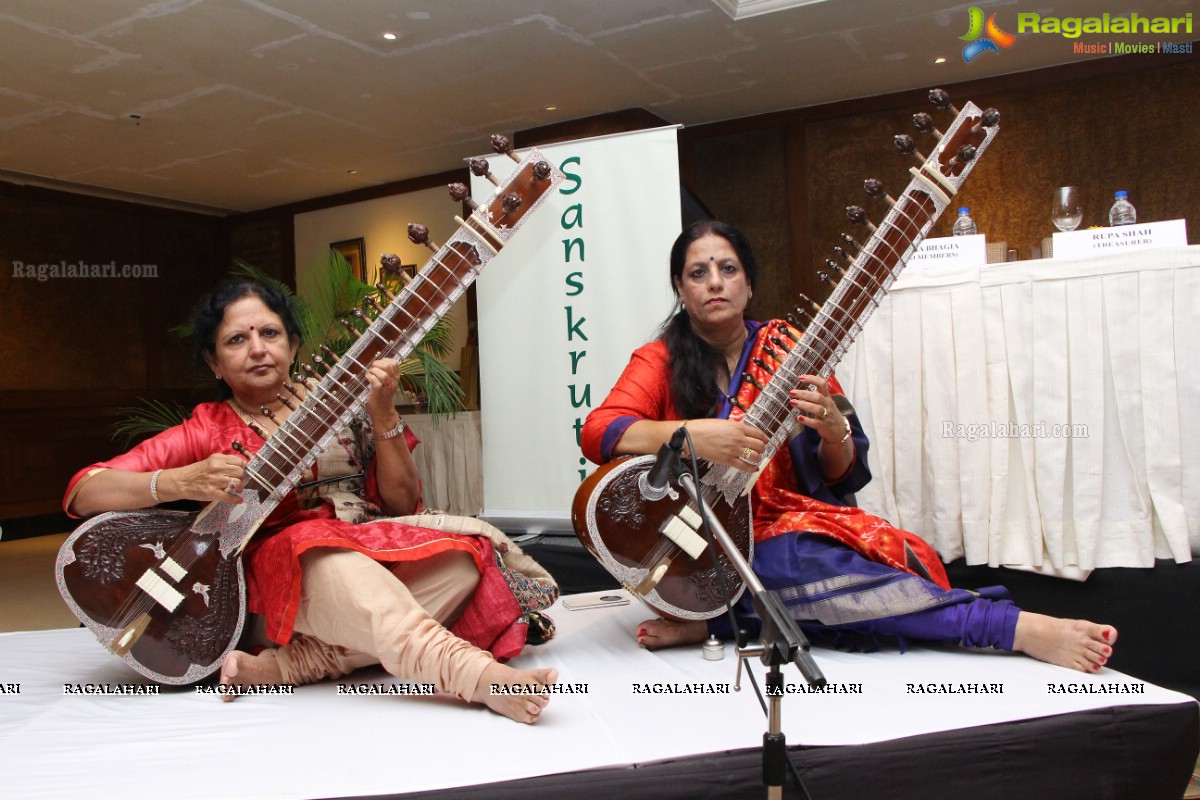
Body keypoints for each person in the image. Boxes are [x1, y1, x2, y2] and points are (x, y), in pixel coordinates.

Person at [580, 219, 1116, 673]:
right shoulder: (660, 360)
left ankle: (710, 616)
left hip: (779, 522)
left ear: (748, 284)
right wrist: (691, 435)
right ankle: (1008, 627)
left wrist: (834, 431)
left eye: (728, 269)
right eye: (698, 273)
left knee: (876, 560)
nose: (714, 283)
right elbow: (599, 432)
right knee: (794, 568)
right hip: (696, 533)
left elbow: (838, 476)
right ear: (680, 288)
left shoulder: (788, 349)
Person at [65, 278, 558, 722]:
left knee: (460, 568)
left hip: (364, 548)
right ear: (214, 363)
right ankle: (475, 678)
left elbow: (402, 500)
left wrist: (382, 411)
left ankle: (288, 667)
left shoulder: (337, 403)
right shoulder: (206, 428)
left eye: (270, 334)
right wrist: (178, 482)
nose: (257, 349)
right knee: (330, 559)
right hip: (276, 582)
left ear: (294, 344)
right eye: (237, 340)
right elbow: (84, 490)